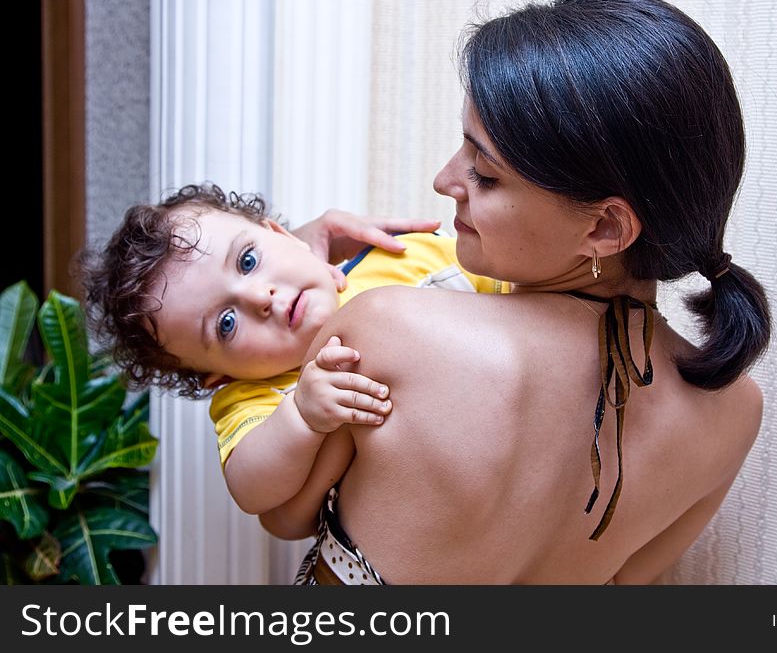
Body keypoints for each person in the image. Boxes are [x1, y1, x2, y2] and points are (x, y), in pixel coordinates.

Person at [259, 0, 772, 585]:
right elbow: (630, 585)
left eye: (485, 173)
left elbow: (283, 513)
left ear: (605, 227)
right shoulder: (734, 410)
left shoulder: (388, 331)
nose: (445, 180)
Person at [80, 183, 508, 517]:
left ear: (283, 234)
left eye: (247, 260)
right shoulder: (257, 397)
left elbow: (518, 300)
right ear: (218, 376)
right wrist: (302, 416)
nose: (259, 296)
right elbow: (251, 489)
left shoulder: (402, 256)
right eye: (226, 324)